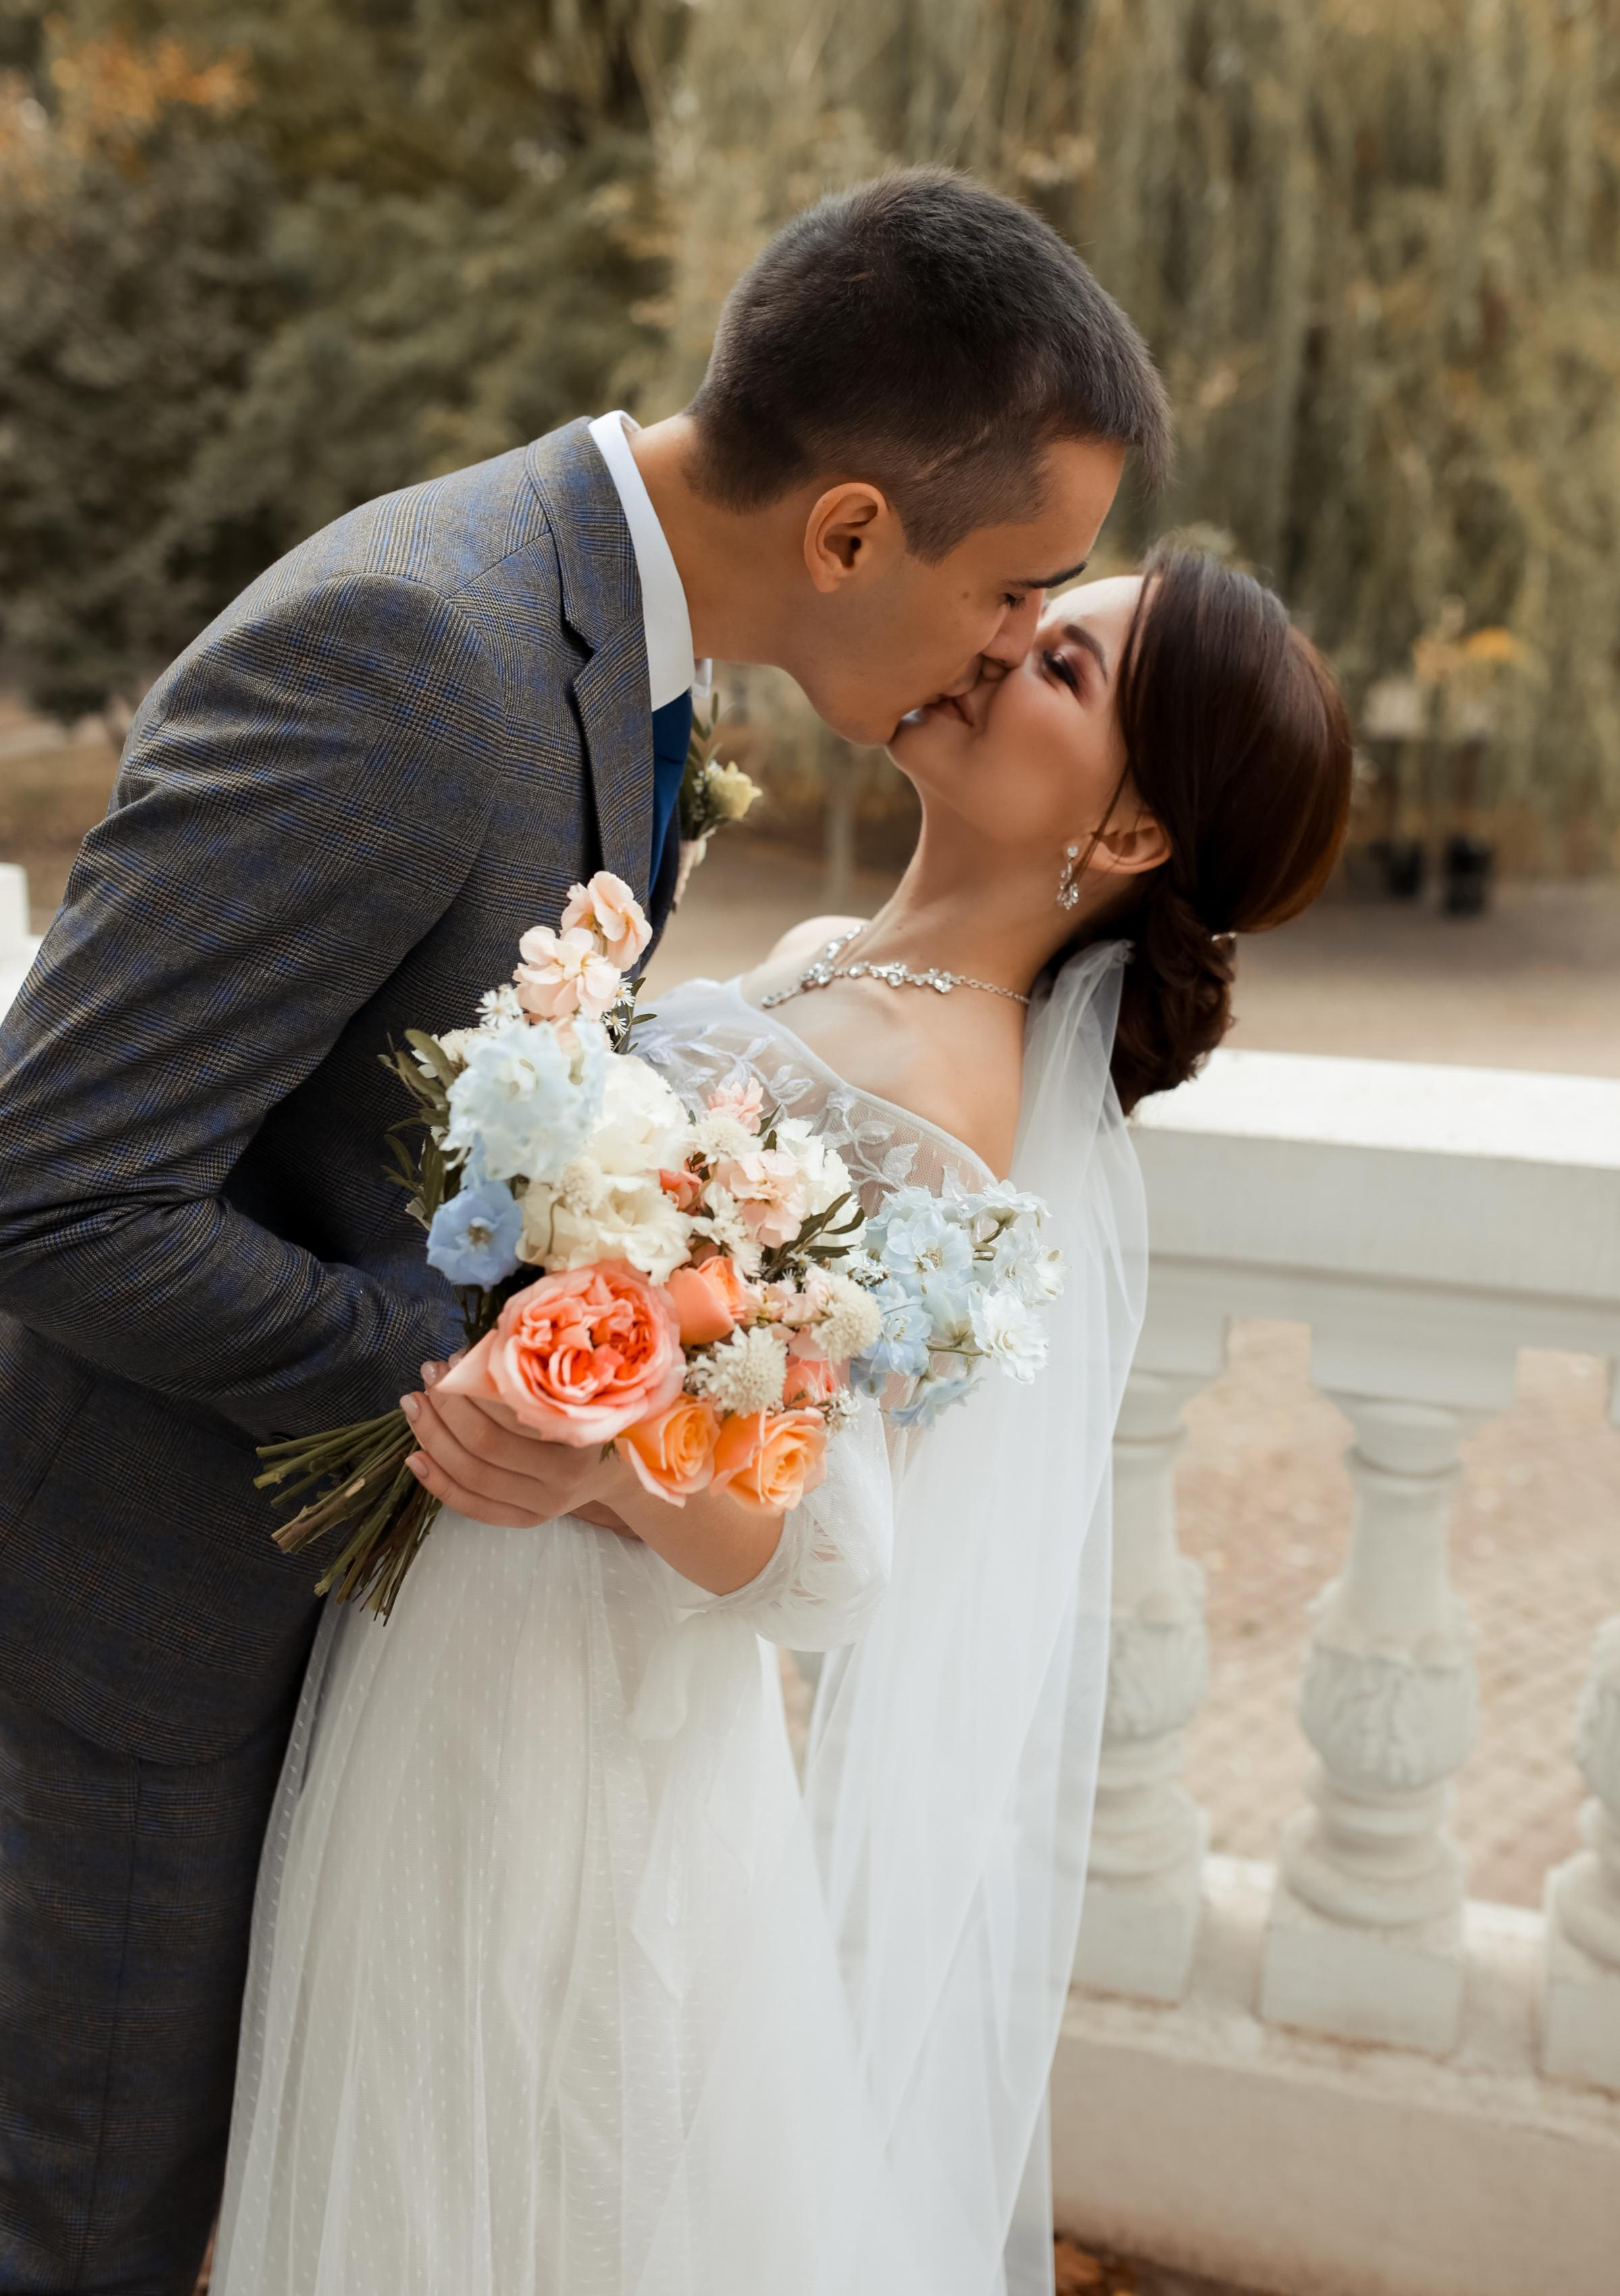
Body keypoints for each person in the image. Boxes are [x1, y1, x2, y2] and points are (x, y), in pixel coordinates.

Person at [0, 167, 1169, 2295]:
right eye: (1019, 587)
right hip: (129, 1666)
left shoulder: (617, 662)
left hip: (342, 1685)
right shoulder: (419, 651)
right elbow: (58, 1183)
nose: (1016, 640)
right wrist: (472, 1378)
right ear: (850, 533)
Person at [211, 544, 1352, 2296]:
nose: (998, 648)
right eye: (1031, 616)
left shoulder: (953, 1107)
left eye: (1064, 668)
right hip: (468, 1627)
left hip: (572, 1702)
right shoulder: (836, 959)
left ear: (1129, 835)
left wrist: (599, 1458)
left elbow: (829, 1555)